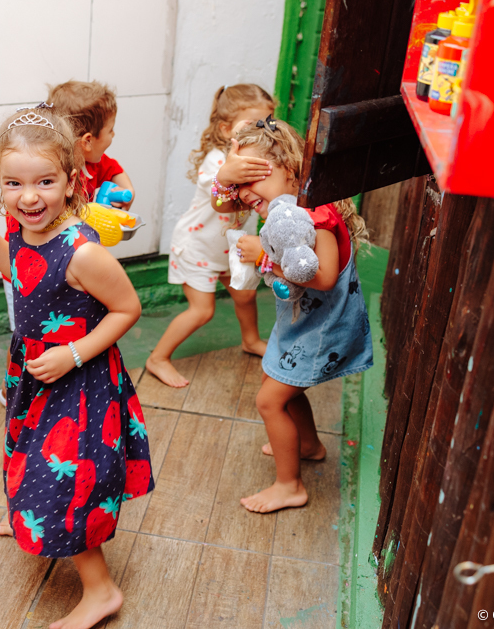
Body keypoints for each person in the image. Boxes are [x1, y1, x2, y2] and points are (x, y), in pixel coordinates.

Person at [0, 105, 153, 629]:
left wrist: (74, 352)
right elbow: (27, 277)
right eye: (15, 183)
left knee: (66, 484)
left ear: (71, 181)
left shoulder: (83, 253)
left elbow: (128, 308)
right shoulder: (23, 230)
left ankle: (101, 590)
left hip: (79, 384)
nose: (29, 196)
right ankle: (26, 509)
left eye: (44, 181)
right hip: (33, 375)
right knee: (24, 453)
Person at [214, 118, 372, 513]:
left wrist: (264, 258)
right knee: (281, 382)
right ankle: (308, 445)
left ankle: (290, 485)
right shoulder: (287, 204)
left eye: (255, 178)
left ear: (290, 168)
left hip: (324, 328)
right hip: (302, 323)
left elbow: (323, 277)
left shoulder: (316, 215)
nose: (245, 193)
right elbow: (221, 203)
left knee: (269, 401)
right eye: (241, 182)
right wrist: (223, 176)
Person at [145, 84, 277, 388]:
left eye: (267, 123)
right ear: (225, 128)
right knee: (202, 311)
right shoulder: (218, 163)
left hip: (229, 249)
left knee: (244, 294)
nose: (262, 131)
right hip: (198, 248)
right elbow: (225, 202)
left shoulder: (258, 158)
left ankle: (251, 340)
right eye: (252, 125)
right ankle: (158, 358)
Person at [47, 80, 134, 208]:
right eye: (110, 130)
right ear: (87, 141)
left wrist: (128, 192)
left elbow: (114, 170)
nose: (113, 134)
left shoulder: (91, 164)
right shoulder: (45, 172)